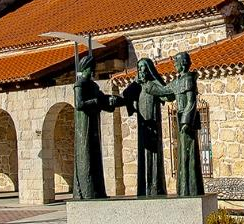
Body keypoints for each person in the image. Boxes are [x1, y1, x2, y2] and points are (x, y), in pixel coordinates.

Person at [145, 52, 205, 196]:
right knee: (182, 155)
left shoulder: (189, 79)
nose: (175, 66)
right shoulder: (177, 81)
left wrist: (186, 122)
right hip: (181, 121)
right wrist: (150, 86)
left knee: (189, 155)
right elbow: (165, 91)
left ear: (182, 63)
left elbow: (191, 102)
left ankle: (192, 189)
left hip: (187, 123)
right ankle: (184, 189)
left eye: (176, 63)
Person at [120, 58, 168, 196]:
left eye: (144, 68)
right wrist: (135, 84)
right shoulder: (137, 86)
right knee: (143, 154)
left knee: (154, 156)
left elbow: (165, 94)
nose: (142, 71)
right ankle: (143, 188)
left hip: (153, 126)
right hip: (143, 127)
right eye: (140, 68)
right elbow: (126, 96)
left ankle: (155, 187)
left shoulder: (153, 84)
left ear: (149, 69)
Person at [73, 55, 119, 199]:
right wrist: (95, 101)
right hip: (84, 126)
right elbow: (79, 104)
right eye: (90, 69)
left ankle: (97, 191)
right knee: (86, 156)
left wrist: (110, 101)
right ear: (84, 69)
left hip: (93, 123)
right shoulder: (79, 85)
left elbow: (101, 99)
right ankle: (86, 191)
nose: (92, 72)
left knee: (95, 156)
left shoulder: (93, 86)